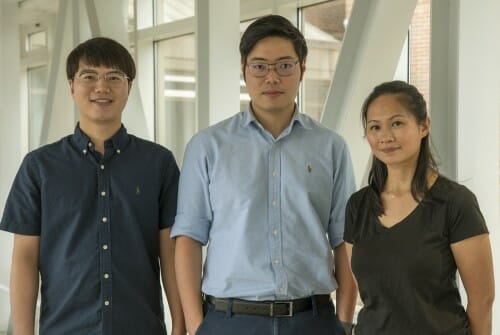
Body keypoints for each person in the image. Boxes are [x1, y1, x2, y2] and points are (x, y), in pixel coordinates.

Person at [171, 14, 357, 335]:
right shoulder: (207, 146)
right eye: (260, 66)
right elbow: (188, 237)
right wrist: (195, 325)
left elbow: (345, 240)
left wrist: (342, 320)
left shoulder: (331, 147)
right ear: (244, 70)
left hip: (313, 320)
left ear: (303, 69)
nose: (272, 77)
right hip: (228, 320)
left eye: (285, 65)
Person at [0, 37, 185, 335]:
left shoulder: (159, 163)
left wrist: (180, 325)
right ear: (72, 87)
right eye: (89, 76)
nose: (102, 87)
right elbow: (24, 258)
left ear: (129, 88)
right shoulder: (38, 167)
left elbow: (171, 253)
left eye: (114, 77)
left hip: (140, 328)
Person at [344, 80, 495, 334]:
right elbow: (369, 290)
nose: (385, 137)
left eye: (397, 123)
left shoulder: (456, 203)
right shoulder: (358, 206)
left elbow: (482, 301)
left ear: (424, 125)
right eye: (375, 127)